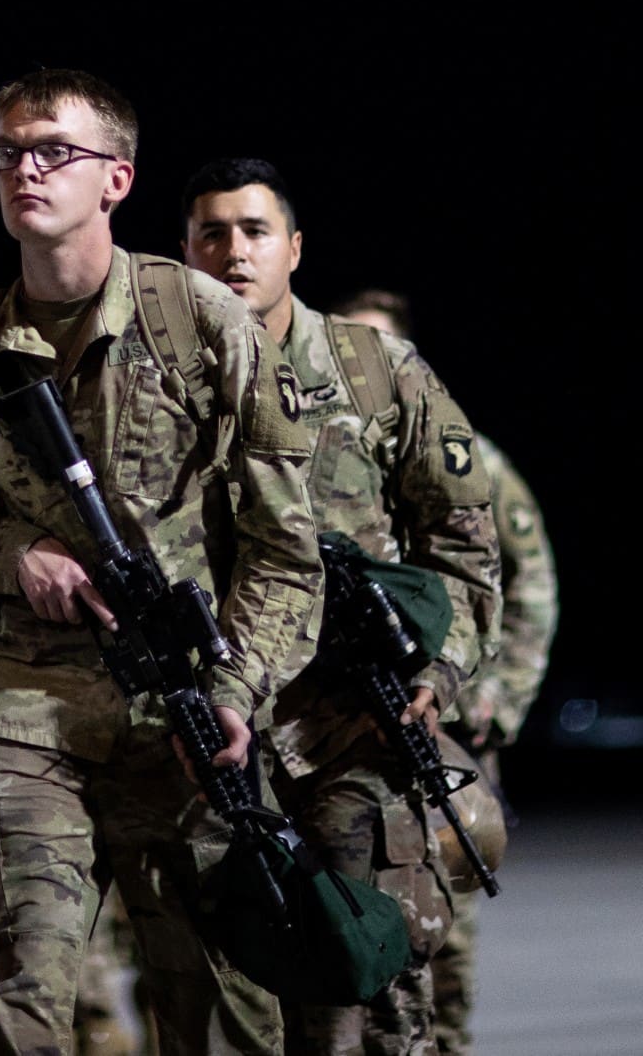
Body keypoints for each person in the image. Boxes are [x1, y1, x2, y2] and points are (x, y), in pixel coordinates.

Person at [0, 69, 321, 1054]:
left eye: (53, 149)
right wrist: (18, 559)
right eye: (8, 150)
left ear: (115, 180)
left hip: (183, 717)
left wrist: (233, 687)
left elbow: (282, 546)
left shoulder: (201, 322)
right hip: (28, 705)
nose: (24, 168)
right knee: (17, 988)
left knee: (220, 1015)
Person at [182, 161, 500, 1054]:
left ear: (293, 247)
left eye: (252, 231)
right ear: (185, 252)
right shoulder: (163, 382)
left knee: (374, 985)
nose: (232, 251)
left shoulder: (374, 369)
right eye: (211, 233)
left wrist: (438, 669)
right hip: (218, 727)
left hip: (354, 723)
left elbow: (465, 542)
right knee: (232, 987)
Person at [332, 289, 557, 1055]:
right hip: (353, 721)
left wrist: (499, 694)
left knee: (445, 930)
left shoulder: (473, 460)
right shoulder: (327, 454)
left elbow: (530, 585)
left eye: (384, 346)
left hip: (453, 723)